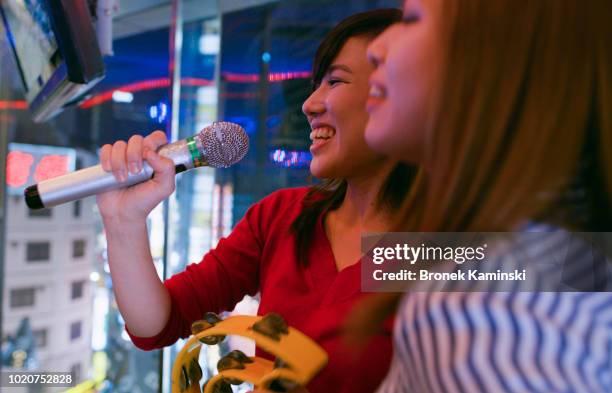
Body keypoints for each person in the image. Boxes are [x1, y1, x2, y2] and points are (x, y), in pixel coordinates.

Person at [96, 9, 413, 393]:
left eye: (335, 81)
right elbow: (158, 323)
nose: (309, 104)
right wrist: (123, 221)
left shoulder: (463, 248)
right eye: (317, 84)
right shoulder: (280, 216)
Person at [358, 0, 612, 391]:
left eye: (410, 19)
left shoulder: (480, 311)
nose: (377, 48)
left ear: (504, 56)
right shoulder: (567, 250)